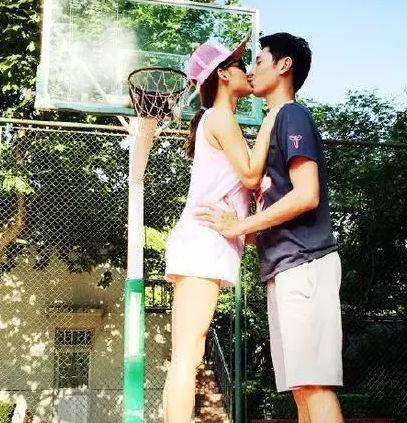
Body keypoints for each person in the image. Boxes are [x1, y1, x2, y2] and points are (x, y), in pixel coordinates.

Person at [196, 32, 344, 423]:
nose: (250, 68)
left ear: (284, 65)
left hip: (305, 261)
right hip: (283, 267)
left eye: (259, 60)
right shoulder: (274, 121)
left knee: (315, 386)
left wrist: (239, 226)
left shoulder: (293, 115)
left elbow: (307, 194)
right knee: (302, 389)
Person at [162, 34, 280, 422]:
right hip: (201, 242)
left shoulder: (218, 120)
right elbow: (250, 174)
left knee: (190, 353)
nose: (247, 70)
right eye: (240, 64)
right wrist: (272, 118)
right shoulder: (220, 116)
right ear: (224, 75)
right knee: (186, 355)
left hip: (203, 244)